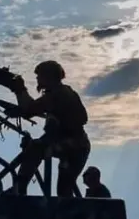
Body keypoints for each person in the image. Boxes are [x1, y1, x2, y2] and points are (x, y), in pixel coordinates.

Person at [5, 60, 91, 197]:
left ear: (49, 77)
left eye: (40, 76)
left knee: (36, 148)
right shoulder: (61, 93)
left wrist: (19, 89)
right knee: (63, 191)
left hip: (75, 146)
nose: (37, 79)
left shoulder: (59, 94)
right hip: (76, 146)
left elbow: (29, 108)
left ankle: (19, 188)